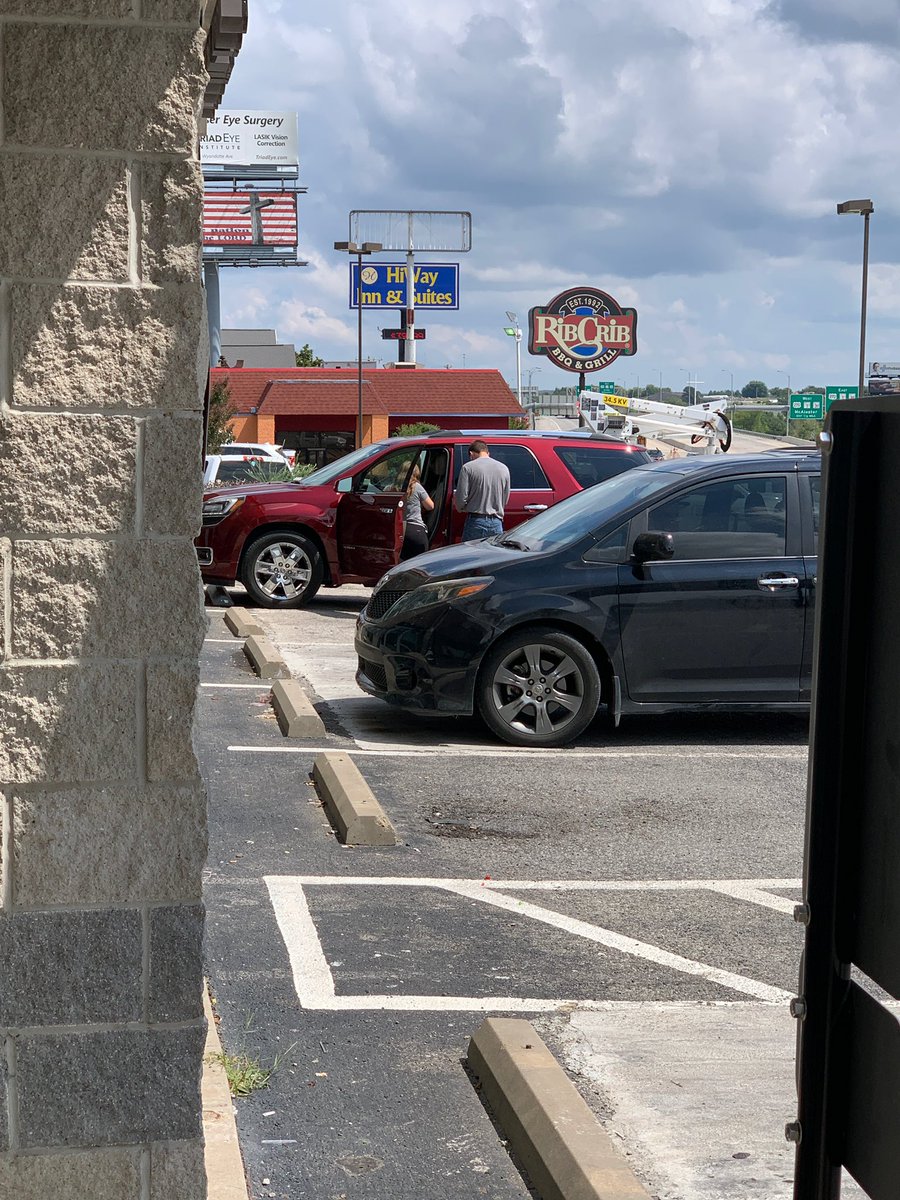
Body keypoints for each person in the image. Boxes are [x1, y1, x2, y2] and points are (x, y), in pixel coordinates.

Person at [455, 439, 510, 542]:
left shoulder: (468, 468)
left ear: (471, 454)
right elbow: (505, 498)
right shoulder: (504, 468)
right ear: (488, 453)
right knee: (494, 556)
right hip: (496, 521)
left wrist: (462, 508)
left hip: (476, 520)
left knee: (470, 554)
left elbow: (461, 498)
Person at [400, 464, 434, 560]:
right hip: (415, 531)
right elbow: (430, 506)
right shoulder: (416, 486)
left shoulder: (393, 487)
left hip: (400, 531)